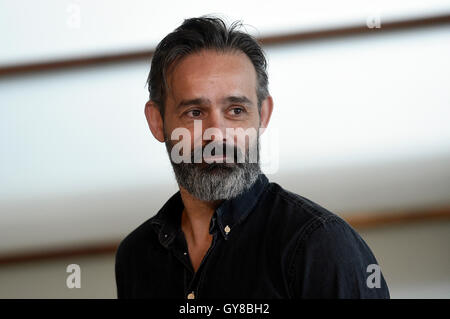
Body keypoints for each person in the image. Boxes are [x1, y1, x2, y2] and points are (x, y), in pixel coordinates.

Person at [115, 16, 390, 299]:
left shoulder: (319, 246)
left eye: (236, 111)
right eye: (195, 113)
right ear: (157, 121)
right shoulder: (136, 256)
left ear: (263, 115)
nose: (217, 135)